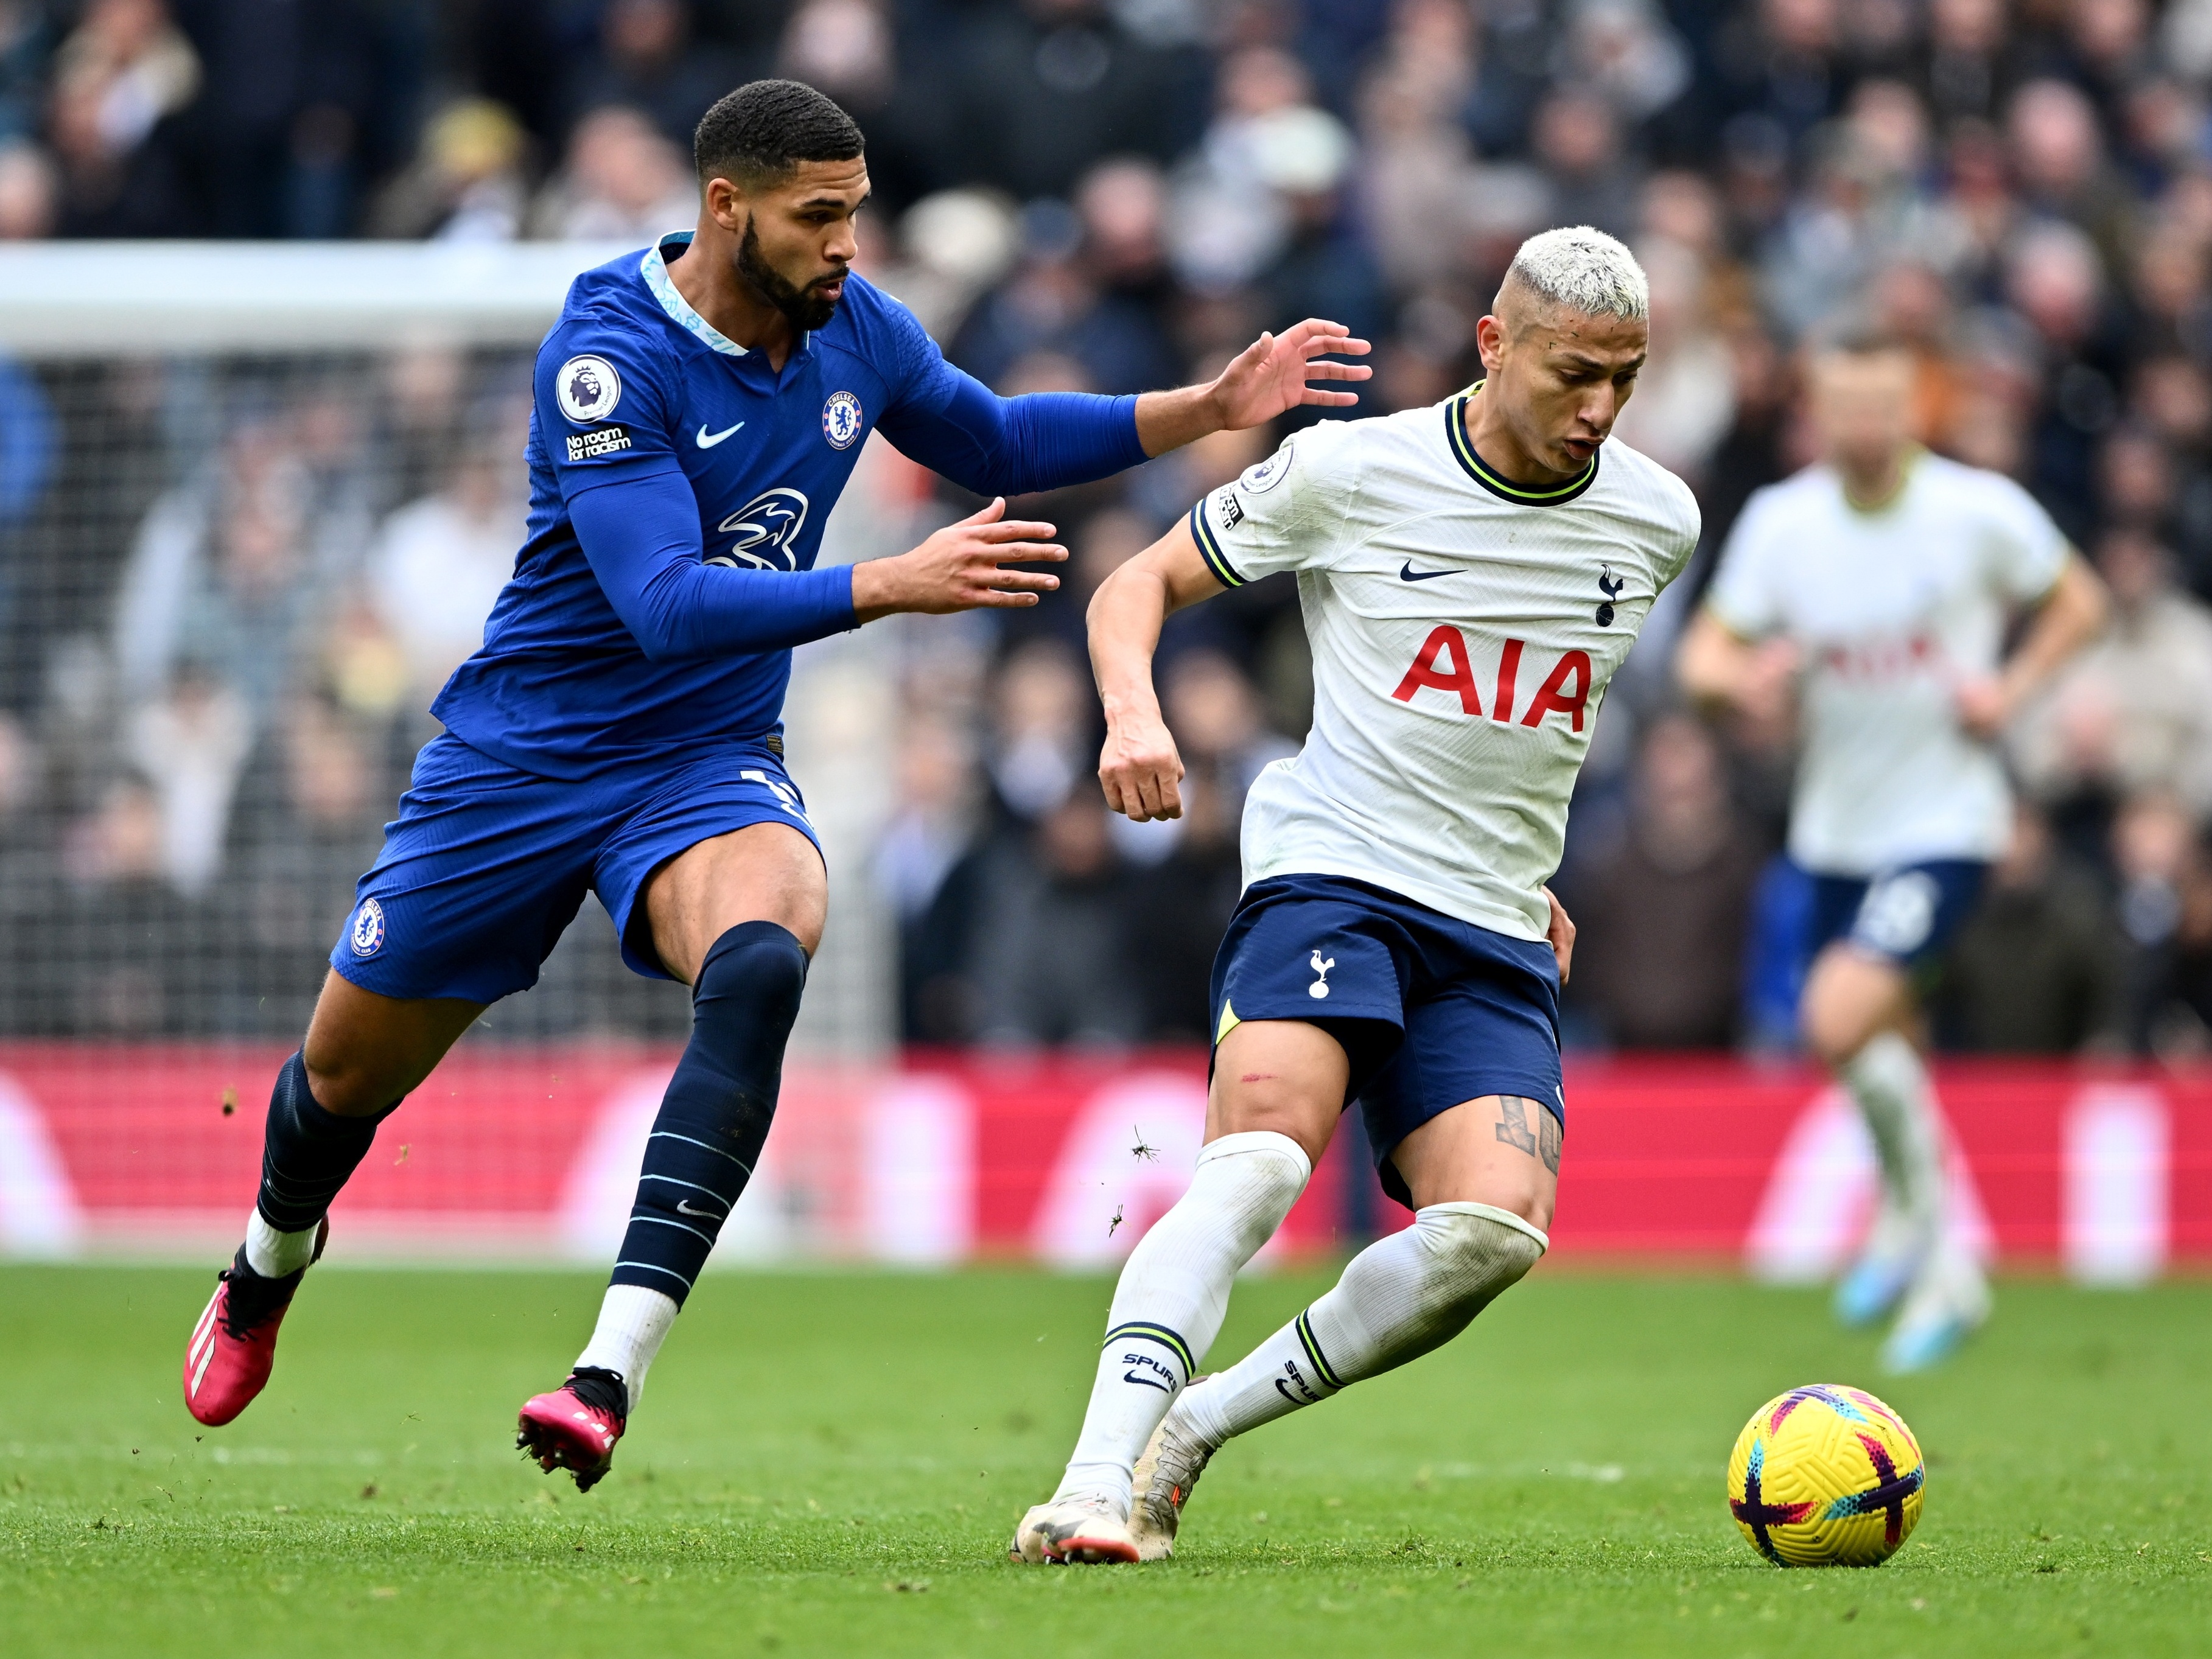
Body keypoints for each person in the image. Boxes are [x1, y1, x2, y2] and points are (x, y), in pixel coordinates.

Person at [179, 80, 1373, 1489]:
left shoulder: (851, 324)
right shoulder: (607, 352)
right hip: (524, 757)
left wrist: (1203, 408)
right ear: (724, 209)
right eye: (818, 216)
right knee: (339, 1078)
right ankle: (266, 1263)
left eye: (855, 213)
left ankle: (605, 1368)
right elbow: (662, 603)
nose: (844, 243)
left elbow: (987, 439)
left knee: (765, 947)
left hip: (702, 762)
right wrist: (885, 585)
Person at [1012, 225, 1701, 1565]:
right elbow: (1133, 583)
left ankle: (1197, 1423)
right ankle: (1093, 1479)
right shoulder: (1350, 469)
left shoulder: (1655, 518)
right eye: (1572, 374)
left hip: (1494, 924)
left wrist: (1529, 867)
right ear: (1494, 345)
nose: (1599, 410)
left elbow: (1526, 718)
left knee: (1489, 1234)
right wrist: (1131, 718)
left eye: (1625, 378)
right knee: (1261, 1158)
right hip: (1333, 876)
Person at [1676, 330, 2108, 1372]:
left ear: (1913, 407)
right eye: (1843, 406)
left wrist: (2006, 689)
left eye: (1881, 404)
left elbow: (2078, 602)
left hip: (1943, 825)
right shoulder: (1785, 525)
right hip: (1834, 831)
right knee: (1878, 1053)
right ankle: (1930, 1250)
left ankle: (1933, 1244)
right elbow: (1701, 658)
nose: (1863, 425)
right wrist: (1747, 686)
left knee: (1833, 1011)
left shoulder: (1972, 512)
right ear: (1814, 412)